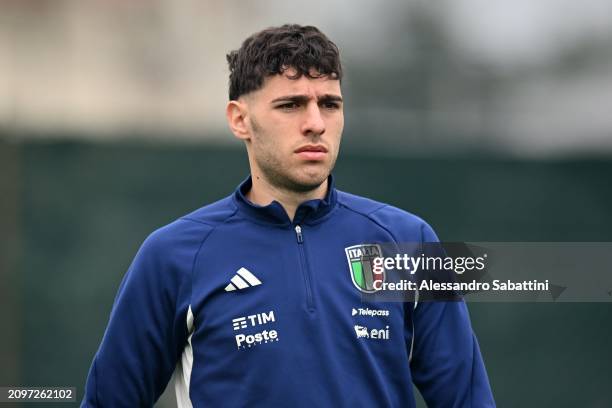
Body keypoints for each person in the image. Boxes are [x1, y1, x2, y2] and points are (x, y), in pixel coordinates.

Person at [82, 24, 495, 407]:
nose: (315, 123)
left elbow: (467, 400)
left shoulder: (409, 240)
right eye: (291, 105)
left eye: (329, 104)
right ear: (240, 119)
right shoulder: (173, 255)